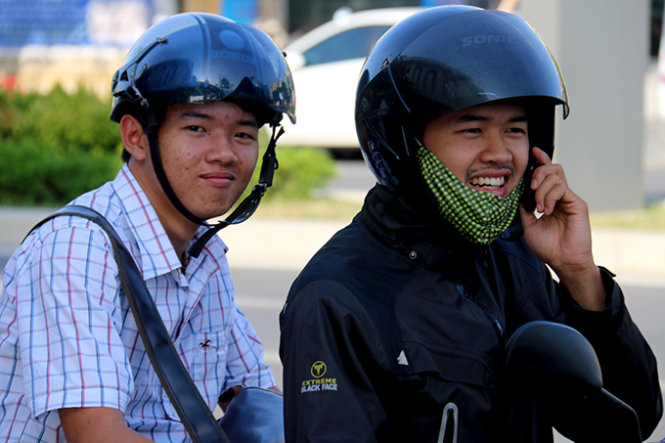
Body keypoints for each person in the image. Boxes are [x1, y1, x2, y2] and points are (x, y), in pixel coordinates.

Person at [279, 6, 662, 442]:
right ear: (404, 142)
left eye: (515, 130)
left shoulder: (515, 260)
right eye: (472, 130)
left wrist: (580, 274)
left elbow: (628, 420)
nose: (500, 153)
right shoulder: (336, 297)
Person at [0, 12, 294, 442]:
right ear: (136, 137)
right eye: (197, 128)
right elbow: (99, 437)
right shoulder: (77, 250)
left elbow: (259, 399)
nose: (225, 154)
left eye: (244, 136)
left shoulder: (203, 255)